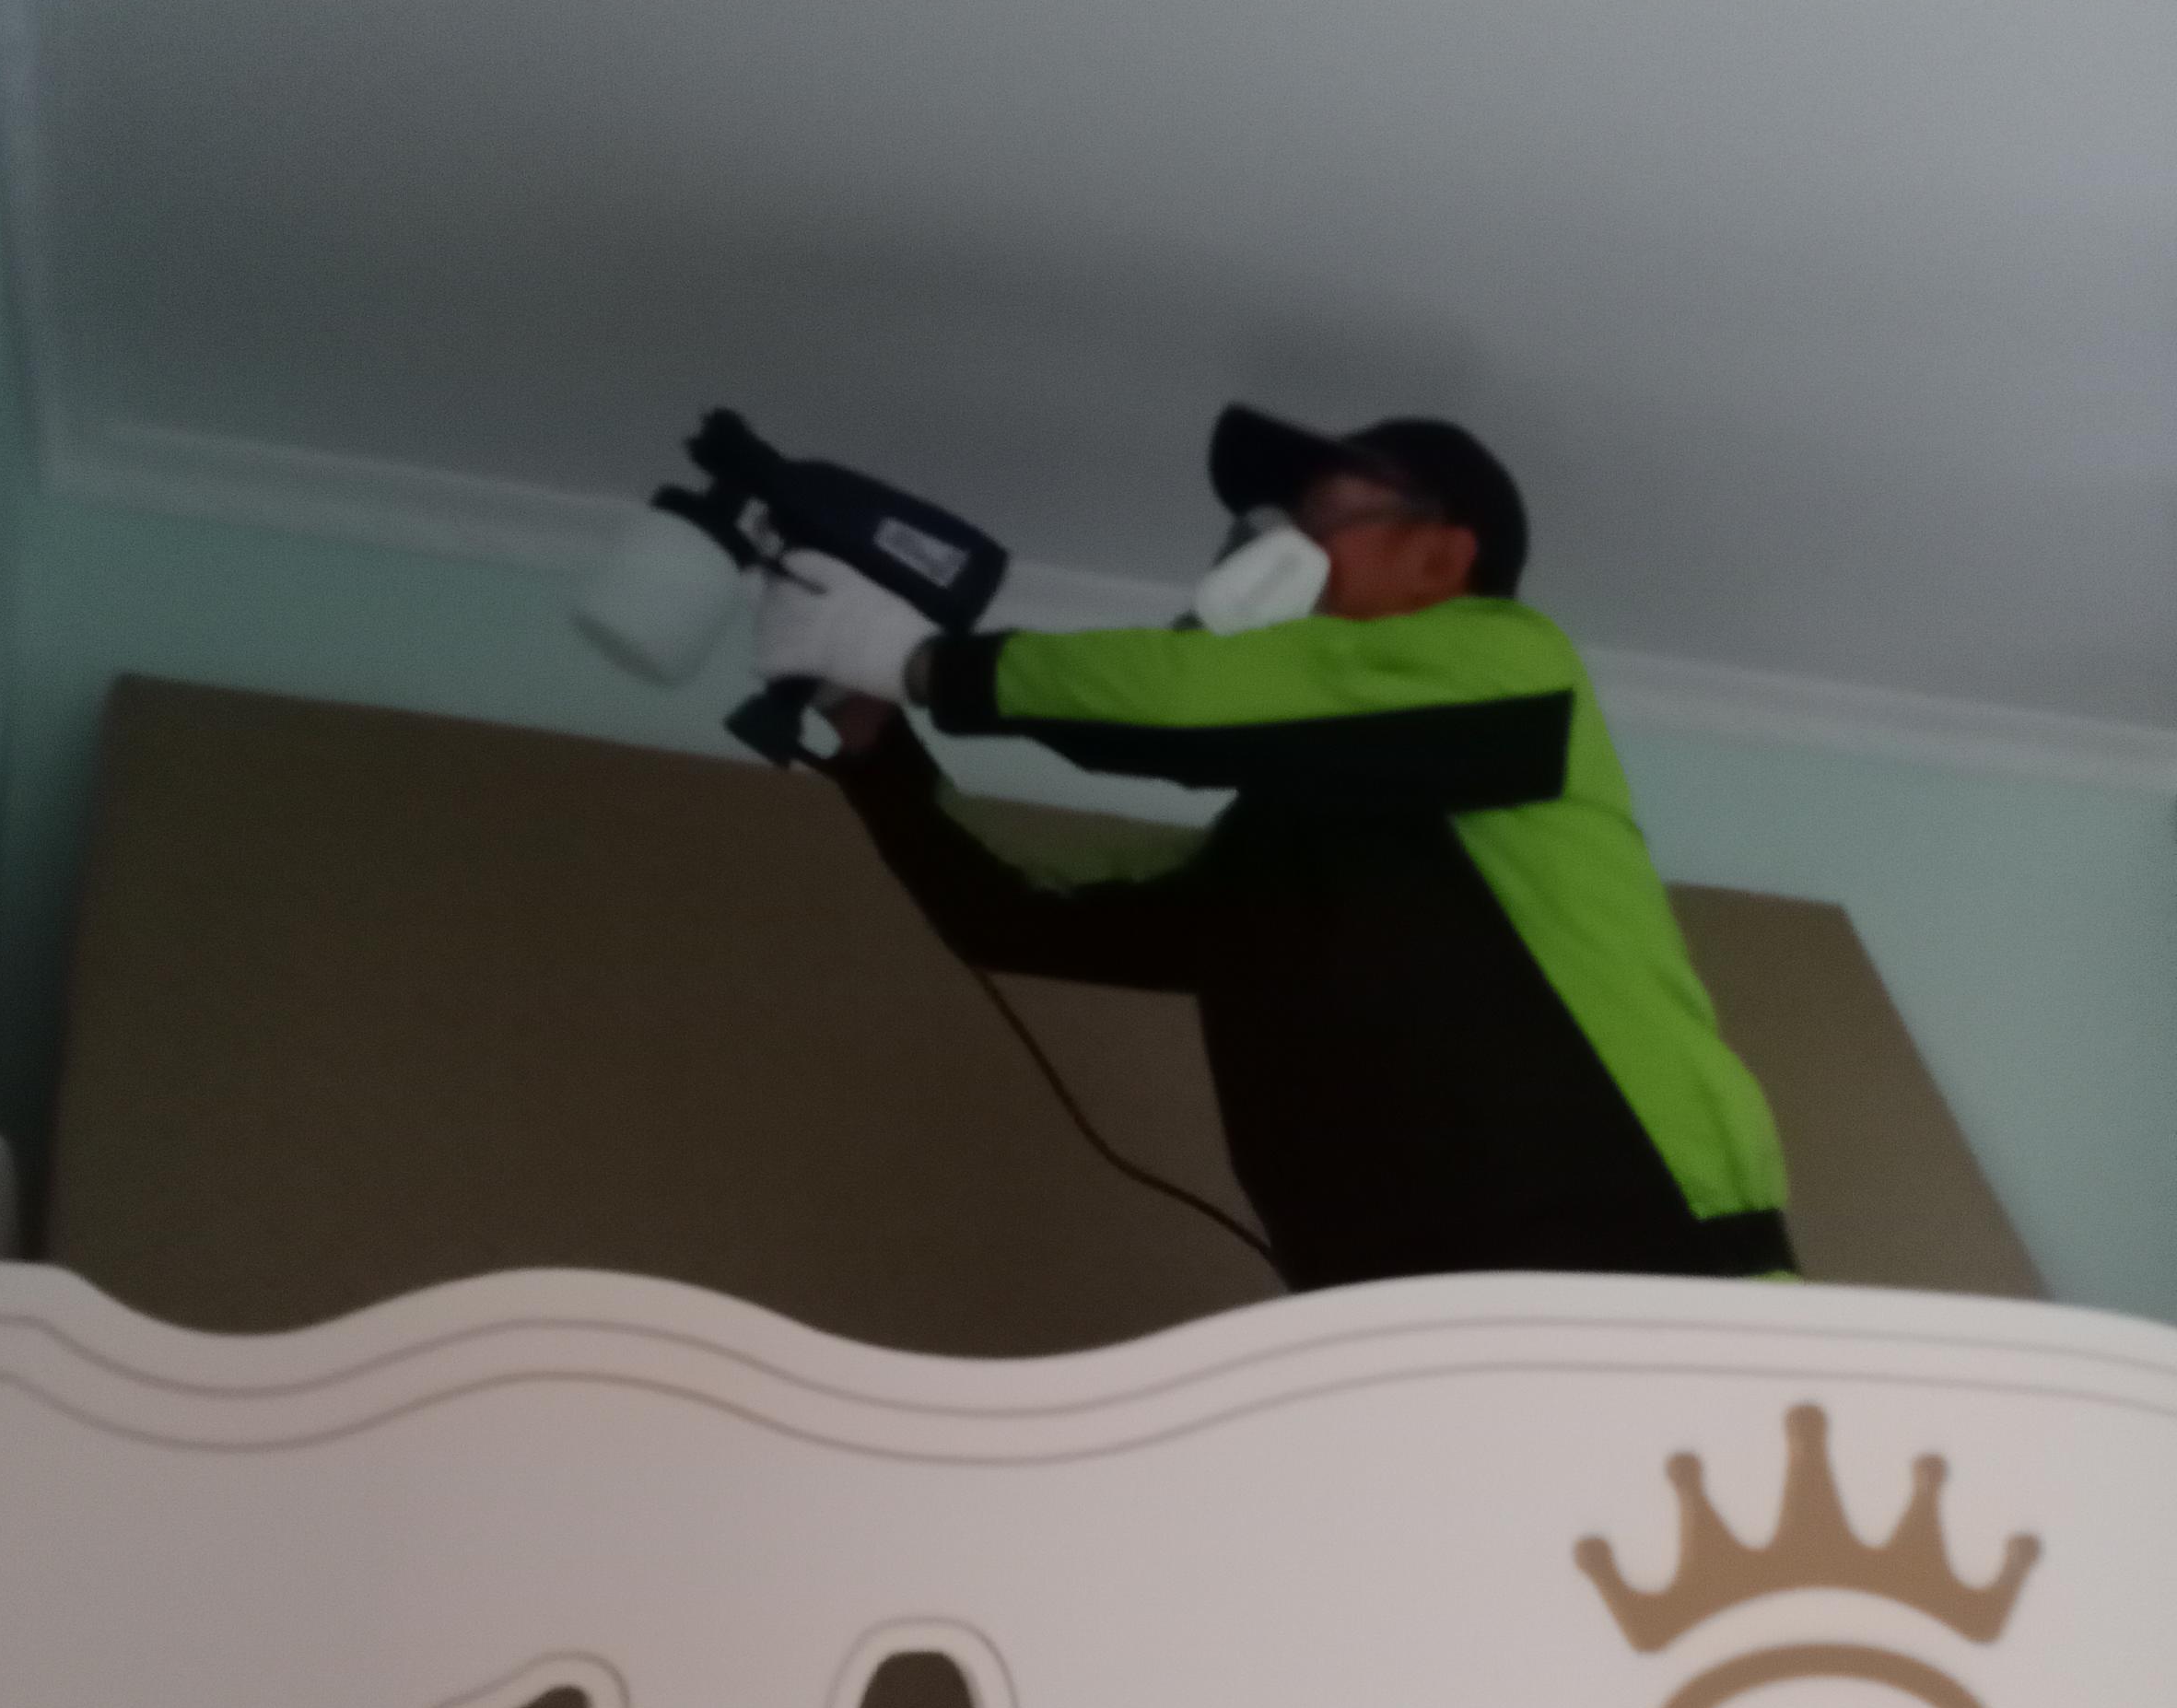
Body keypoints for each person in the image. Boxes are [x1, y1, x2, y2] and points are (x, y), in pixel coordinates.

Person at [754, 405, 1793, 1293]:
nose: (1275, 551)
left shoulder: (1511, 660)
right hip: (1390, 1320)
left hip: (1650, 1253)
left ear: (1442, 557)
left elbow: (1185, 702)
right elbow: (1020, 907)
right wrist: (870, 728)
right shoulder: (1272, 851)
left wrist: (915, 660)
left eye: (1319, 522)